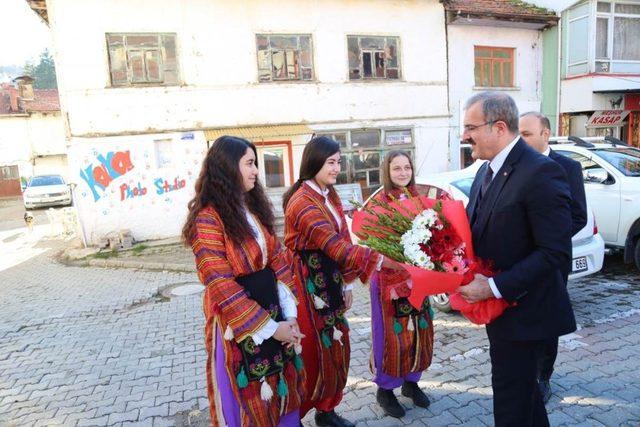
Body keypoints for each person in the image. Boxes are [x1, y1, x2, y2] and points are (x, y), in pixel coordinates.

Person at [458, 92, 577, 426]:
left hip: (527, 312)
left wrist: (494, 287)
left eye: (471, 127)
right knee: (525, 397)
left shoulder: (541, 171)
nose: (465, 136)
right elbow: (476, 232)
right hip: (501, 313)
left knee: (511, 400)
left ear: (498, 127)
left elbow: (554, 251)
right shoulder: (485, 171)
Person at [183, 136, 305, 426]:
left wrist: (289, 315)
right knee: (251, 399)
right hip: (237, 324)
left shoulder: (250, 209)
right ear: (227, 168)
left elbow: (276, 256)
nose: (255, 171)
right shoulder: (208, 220)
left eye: (255, 164)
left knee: (282, 390)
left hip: (274, 310)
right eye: (249, 163)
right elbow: (220, 284)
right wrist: (271, 329)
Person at [282, 136, 399, 427]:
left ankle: (326, 409)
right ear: (314, 162)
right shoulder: (301, 201)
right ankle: (295, 416)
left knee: (337, 345)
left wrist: (347, 282)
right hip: (307, 284)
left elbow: (343, 238)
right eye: (331, 162)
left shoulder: (328, 194)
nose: (336, 168)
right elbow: (331, 242)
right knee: (311, 351)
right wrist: (378, 260)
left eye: (338, 162)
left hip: (329, 279)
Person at [519, 111, 588, 403]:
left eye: (526, 134)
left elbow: (578, 216)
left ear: (545, 134)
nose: (520, 140)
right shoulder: (518, 165)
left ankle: (543, 377)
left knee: (548, 321)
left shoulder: (567, 167)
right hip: (520, 262)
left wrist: (547, 242)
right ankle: (523, 371)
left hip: (552, 262)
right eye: (518, 134)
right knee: (524, 317)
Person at [368, 151, 434, 418]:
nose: (403, 173)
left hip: (418, 280)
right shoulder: (378, 204)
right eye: (397, 169)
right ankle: (385, 390)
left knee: (419, 331)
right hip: (389, 283)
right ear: (387, 171)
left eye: (407, 167)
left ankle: (411, 382)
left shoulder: (419, 200)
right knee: (392, 337)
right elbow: (372, 244)